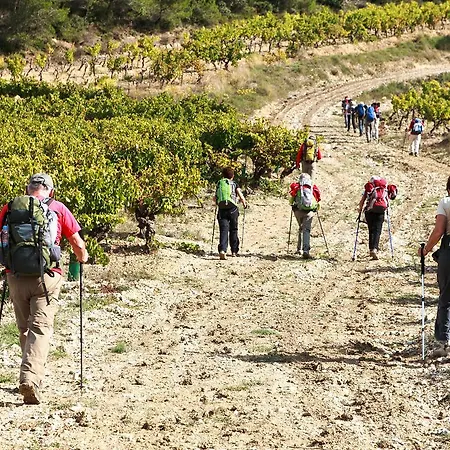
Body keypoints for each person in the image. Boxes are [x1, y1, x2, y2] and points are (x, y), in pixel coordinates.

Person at [0, 173, 89, 405]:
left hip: (15, 277)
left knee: (24, 329)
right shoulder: (58, 208)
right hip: (46, 277)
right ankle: (30, 379)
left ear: (27, 189)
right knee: (40, 329)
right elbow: (77, 242)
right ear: (51, 191)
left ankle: (29, 374)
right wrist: (83, 257)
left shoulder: (10, 208)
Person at [419, 176, 450, 357]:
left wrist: (426, 250)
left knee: (446, 297)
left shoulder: (446, 202)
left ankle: (443, 343)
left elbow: (439, 231)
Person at [357, 176, 397, 260]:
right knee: (377, 231)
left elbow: (363, 200)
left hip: (369, 211)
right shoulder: (384, 188)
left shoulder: (369, 188)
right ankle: (374, 249)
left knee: (371, 230)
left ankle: (371, 249)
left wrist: (360, 210)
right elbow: (390, 197)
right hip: (380, 211)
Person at [214, 167, 247, 260]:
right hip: (233, 208)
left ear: (223, 175)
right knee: (233, 229)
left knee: (223, 230)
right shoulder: (234, 184)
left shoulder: (219, 183)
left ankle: (222, 250)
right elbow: (240, 194)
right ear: (232, 176)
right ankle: (234, 251)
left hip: (222, 209)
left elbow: (215, 198)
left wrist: (217, 203)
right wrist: (244, 203)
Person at [289, 173, 321, 259]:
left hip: (298, 212)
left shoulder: (297, 187)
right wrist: (316, 208)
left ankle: (299, 249)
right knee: (306, 230)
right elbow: (318, 201)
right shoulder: (312, 188)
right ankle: (306, 251)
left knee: (301, 227)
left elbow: (291, 201)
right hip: (309, 212)